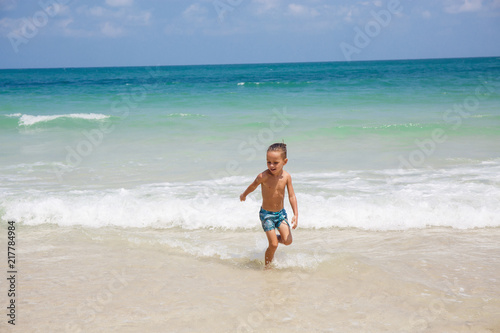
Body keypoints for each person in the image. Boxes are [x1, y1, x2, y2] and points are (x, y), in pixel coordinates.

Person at [240, 142, 298, 268]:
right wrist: (244, 194)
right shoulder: (263, 176)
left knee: (288, 241)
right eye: (268, 162)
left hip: (281, 214)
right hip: (266, 215)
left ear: (285, 161)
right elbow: (253, 186)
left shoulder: (287, 177)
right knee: (274, 245)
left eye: (275, 162)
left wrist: (295, 214)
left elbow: (292, 196)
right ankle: (267, 268)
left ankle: (273, 238)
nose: (271, 165)